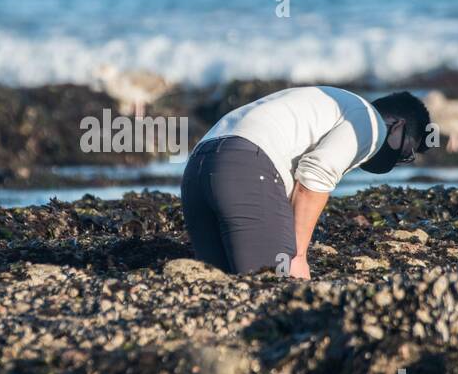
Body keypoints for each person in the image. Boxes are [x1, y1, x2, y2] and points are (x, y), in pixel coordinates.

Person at [180, 87, 432, 277]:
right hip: (246, 168)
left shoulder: (334, 104)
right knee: (272, 287)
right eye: (407, 153)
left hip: (197, 168)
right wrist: (297, 256)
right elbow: (315, 175)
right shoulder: (371, 122)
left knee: (220, 288)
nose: (401, 161)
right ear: (397, 125)